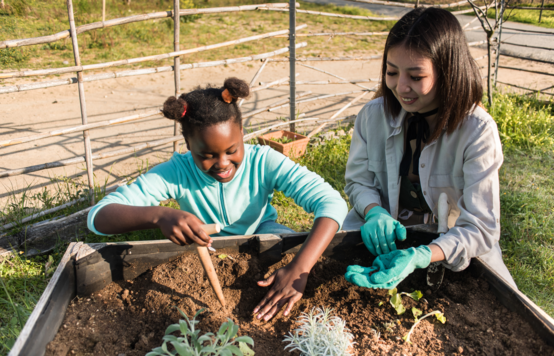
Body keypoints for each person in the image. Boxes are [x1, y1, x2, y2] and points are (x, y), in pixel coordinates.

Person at [87, 77, 348, 320]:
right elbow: (98, 217)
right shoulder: (177, 172)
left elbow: (332, 203)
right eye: (207, 155)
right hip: (206, 247)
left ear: (242, 133)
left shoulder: (264, 161)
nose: (223, 164)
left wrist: (299, 269)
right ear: (189, 146)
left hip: (262, 232)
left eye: (232, 150)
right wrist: (160, 215)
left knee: (296, 255)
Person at [343, 8, 517, 288]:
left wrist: (423, 255)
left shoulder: (477, 130)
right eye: (391, 72)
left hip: (453, 247)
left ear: (447, 73)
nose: (400, 87)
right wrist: (374, 211)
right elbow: (358, 181)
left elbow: (480, 228)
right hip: (382, 242)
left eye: (415, 76)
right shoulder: (373, 116)